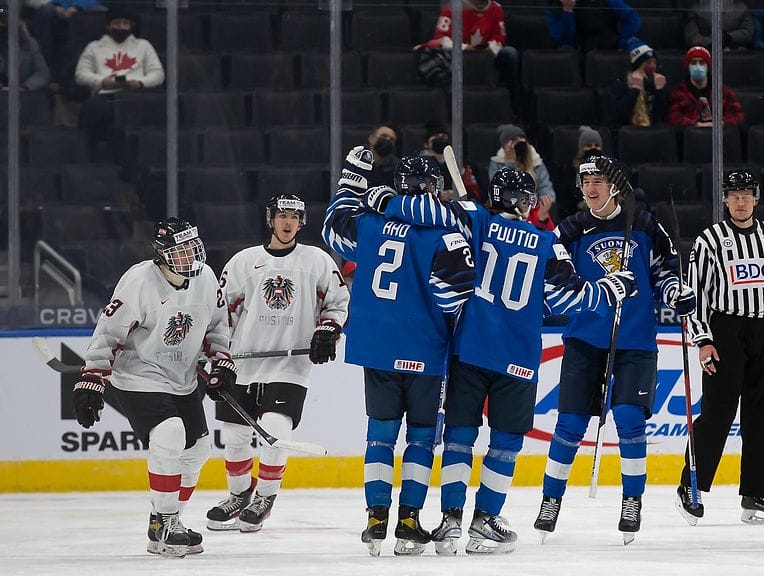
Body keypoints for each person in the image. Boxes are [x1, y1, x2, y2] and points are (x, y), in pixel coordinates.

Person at [362, 167, 635, 554]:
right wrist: (611, 288)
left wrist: (387, 200)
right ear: (525, 203)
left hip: (469, 349)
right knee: (504, 444)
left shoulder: (474, 219)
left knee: (459, 438)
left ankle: (450, 520)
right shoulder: (546, 241)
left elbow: (428, 212)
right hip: (517, 357)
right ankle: (484, 520)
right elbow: (565, 299)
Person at [533, 156, 696, 545]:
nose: (590, 189)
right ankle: (550, 501)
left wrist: (677, 292)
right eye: (585, 181)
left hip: (635, 340)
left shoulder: (645, 225)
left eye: (598, 181)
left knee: (629, 418)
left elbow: (663, 274)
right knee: (570, 424)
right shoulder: (570, 230)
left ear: (615, 187)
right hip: (585, 339)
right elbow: (556, 281)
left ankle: (632, 501)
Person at [322, 148, 475, 557]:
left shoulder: (370, 222)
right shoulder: (446, 233)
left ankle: (376, 518)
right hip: (423, 348)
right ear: (433, 187)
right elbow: (454, 296)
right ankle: (409, 520)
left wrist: (351, 182)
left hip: (375, 347)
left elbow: (333, 229)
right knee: (421, 438)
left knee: (380, 434)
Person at [73, 217, 231, 558]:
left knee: (197, 450)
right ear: (163, 255)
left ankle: (165, 522)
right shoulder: (139, 281)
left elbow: (217, 326)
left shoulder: (206, 278)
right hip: (138, 375)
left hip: (182, 378)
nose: (191, 255)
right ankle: (166, 522)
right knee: (170, 433)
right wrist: (93, 378)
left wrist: (221, 362)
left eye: (193, 247)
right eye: (182, 249)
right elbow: (109, 332)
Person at [205, 195, 349, 533]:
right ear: (271, 220)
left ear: (302, 222)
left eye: (295, 217)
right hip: (242, 363)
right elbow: (221, 312)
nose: (288, 222)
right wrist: (216, 353)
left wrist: (328, 329)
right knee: (235, 435)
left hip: (290, 366)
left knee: (275, 430)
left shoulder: (317, 260)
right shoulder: (244, 262)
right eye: (282, 215)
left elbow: (337, 303)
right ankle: (239, 495)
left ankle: (265, 497)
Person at [674, 169, 764, 527]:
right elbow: (697, 294)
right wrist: (703, 339)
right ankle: (692, 485)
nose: (740, 201)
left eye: (746, 195)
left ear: (756, 198)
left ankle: (756, 492)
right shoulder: (710, 240)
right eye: (734, 195)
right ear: (725, 200)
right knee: (717, 412)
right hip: (725, 331)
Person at [73, 8, 163, 155]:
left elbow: (158, 74)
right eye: (117, 23)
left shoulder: (144, 45)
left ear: (131, 25)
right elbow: (81, 75)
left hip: (136, 97)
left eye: (125, 23)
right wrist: (102, 82)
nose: (121, 27)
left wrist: (140, 82)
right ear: (108, 25)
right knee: (92, 109)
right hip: (106, 97)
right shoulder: (94, 47)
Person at [419, 1, 518, 97]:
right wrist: (466, 47)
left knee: (509, 53)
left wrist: (486, 50)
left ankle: (509, 99)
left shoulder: (496, 8)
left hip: (487, 55)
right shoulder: (452, 7)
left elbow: (499, 38)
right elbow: (441, 38)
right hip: (459, 55)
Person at [489, 124, 556, 230]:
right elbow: (499, 190)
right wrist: (510, 163)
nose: (519, 142)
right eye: (513, 139)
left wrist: (541, 205)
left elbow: (546, 189)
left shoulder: (536, 161)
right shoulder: (497, 162)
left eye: (521, 138)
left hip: (532, 209)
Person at [668, 46, 745, 128]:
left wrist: (722, 123)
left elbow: (739, 116)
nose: (697, 66)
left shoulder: (723, 91)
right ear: (688, 66)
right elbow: (673, 118)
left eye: (702, 62)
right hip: (693, 133)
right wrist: (696, 124)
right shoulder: (677, 93)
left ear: (708, 66)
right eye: (693, 63)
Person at [608, 38, 669, 128]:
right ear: (639, 65)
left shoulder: (654, 84)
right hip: (628, 131)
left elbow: (662, 116)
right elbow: (619, 115)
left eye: (654, 62)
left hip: (652, 131)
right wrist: (635, 91)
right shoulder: (621, 84)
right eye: (648, 62)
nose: (653, 66)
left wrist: (659, 91)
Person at [419, 121, 482, 202]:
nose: (440, 139)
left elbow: (475, 192)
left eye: (443, 137)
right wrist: (437, 195)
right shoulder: (420, 165)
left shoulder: (461, 164)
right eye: (436, 137)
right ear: (426, 144)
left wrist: (455, 194)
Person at [546, 0, 640, 53]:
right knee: (565, 50)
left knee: (636, 45)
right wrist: (567, 11)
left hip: (608, 47)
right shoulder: (554, 8)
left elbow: (632, 18)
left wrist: (622, 41)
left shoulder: (608, 1)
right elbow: (565, 40)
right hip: (578, 52)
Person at [0, 7, 51, 92]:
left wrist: (25, 87)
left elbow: (42, 73)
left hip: (23, 94)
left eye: (4, 23)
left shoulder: (30, 43)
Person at [684, 1, 753, 50]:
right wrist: (707, 42)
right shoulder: (695, 8)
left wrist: (729, 37)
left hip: (736, 54)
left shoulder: (742, 8)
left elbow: (747, 33)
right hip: (702, 54)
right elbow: (691, 35)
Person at [366, 123, 399, 188]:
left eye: (392, 139)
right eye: (384, 136)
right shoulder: (355, 159)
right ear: (371, 138)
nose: (388, 140)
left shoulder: (397, 168)